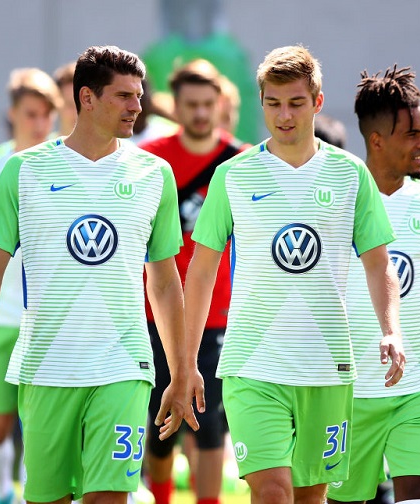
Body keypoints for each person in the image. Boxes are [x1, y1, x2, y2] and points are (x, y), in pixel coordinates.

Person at [0, 45, 201, 504]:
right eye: (124, 96)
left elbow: (165, 281)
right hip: (47, 365)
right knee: (49, 498)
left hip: (124, 365)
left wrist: (182, 367)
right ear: (87, 98)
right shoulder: (24, 170)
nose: (137, 106)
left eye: (139, 95)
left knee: (109, 496)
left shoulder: (154, 174)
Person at [183, 45, 405, 504]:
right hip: (251, 364)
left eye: (296, 103)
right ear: (261, 103)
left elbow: (379, 263)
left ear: (317, 102)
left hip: (327, 364)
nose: (284, 116)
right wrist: (186, 360)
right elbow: (202, 270)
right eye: (274, 103)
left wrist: (391, 330)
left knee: (309, 495)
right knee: (272, 490)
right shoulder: (233, 175)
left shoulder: (350, 174)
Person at [326, 65, 420, 504]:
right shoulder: (337, 201)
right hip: (348, 394)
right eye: (412, 134)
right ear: (377, 141)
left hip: (419, 388)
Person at [139, 58, 247, 504]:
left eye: (208, 104)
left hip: (217, 312)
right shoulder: (148, 160)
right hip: (156, 312)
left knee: (209, 422)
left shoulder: (241, 161)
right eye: (191, 105)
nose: (201, 113)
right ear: (176, 106)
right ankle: (161, 497)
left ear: (220, 104)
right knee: (161, 421)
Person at [0, 66, 62, 504]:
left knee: (39, 422)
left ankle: (26, 495)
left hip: (48, 317)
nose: (39, 123)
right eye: (30, 114)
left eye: (46, 114)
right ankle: (2, 490)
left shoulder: (67, 162)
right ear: (13, 114)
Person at [52, 61, 77, 137]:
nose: (77, 112)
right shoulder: (41, 144)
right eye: (70, 104)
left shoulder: (107, 143)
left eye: (83, 104)